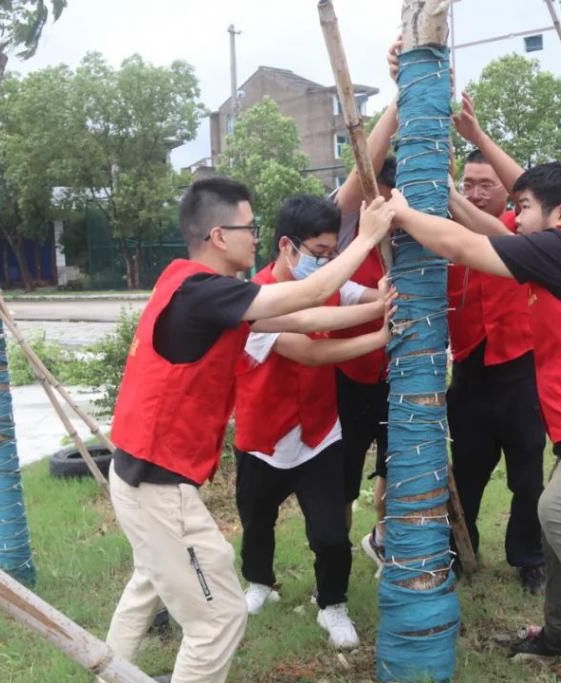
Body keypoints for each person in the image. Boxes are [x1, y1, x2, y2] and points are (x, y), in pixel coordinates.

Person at [387, 158, 561, 683]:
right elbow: (502, 223)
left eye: (522, 209)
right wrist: (467, 161)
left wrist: (401, 211)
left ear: (560, 214)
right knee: (558, 516)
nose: (513, 220)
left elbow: (464, 246)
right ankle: (560, 634)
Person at [103, 176, 394, 683]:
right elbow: (313, 291)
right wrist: (367, 236)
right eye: (249, 226)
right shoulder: (204, 293)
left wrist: (378, 314)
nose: (255, 237)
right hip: (156, 484)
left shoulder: (193, 288)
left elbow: (302, 315)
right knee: (219, 618)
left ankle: (108, 673)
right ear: (219, 235)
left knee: (148, 581)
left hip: (138, 473)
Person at [233, 195, 394, 649]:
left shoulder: (326, 281)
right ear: (287, 246)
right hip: (264, 438)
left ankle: (333, 604)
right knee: (256, 523)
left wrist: (388, 290)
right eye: (319, 253)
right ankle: (259, 582)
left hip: (320, 435)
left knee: (330, 535)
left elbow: (358, 294)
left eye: (331, 253)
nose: (326, 262)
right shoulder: (252, 301)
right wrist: (380, 331)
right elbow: (310, 349)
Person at [445, 95, 548, 593]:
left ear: (506, 195)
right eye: (468, 185)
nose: (477, 192)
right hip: (469, 371)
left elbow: (531, 188)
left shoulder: (517, 232)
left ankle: (529, 557)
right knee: (465, 473)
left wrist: (477, 137)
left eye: (487, 185)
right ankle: (459, 553)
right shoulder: (440, 238)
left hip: (521, 370)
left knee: (527, 474)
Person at [329, 101, 400, 574]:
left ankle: (383, 542)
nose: (389, 212)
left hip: (399, 374)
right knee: (342, 477)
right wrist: (397, 103)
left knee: (397, 469)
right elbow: (361, 174)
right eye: (382, 200)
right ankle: (331, 568)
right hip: (349, 375)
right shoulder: (343, 233)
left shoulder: (413, 235)